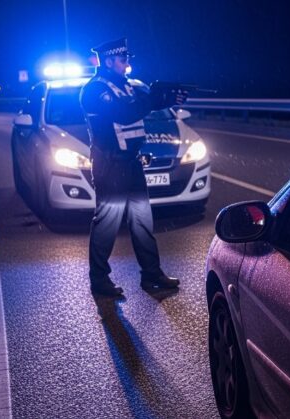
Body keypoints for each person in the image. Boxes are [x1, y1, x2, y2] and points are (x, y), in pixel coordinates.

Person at [80, 37, 188, 298]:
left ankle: (151, 274)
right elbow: (124, 113)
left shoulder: (126, 85)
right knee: (108, 223)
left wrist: (169, 98)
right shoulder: (95, 90)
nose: (126, 63)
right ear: (108, 61)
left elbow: (146, 103)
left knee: (142, 221)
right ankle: (99, 280)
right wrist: (153, 99)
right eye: (122, 59)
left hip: (131, 163)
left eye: (127, 58)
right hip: (110, 164)